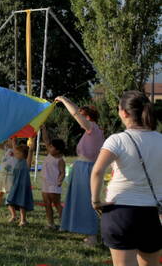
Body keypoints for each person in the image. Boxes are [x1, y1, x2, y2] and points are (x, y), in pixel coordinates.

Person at [91, 91, 162, 265]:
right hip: (154, 213)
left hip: (120, 211)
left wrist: (96, 201)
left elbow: (97, 171)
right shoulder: (160, 139)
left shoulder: (117, 140)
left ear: (124, 112)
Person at [56, 96, 104, 246]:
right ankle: (87, 232)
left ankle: (92, 236)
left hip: (86, 170)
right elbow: (78, 112)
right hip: (82, 169)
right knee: (81, 201)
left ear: (88, 118)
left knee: (86, 201)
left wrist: (64, 101)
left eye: (83, 117)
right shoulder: (91, 130)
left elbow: (75, 113)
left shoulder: (92, 128)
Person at [40, 126, 65, 229]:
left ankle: (64, 223)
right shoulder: (50, 154)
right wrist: (43, 129)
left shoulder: (60, 160)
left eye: (52, 147)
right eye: (49, 146)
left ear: (58, 150)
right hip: (45, 183)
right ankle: (51, 223)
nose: (49, 148)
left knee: (57, 204)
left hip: (54, 184)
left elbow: (62, 172)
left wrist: (59, 181)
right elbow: (46, 139)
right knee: (47, 203)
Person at [6, 144, 35, 226]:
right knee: (9, 201)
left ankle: (23, 220)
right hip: (15, 185)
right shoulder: (16, 161)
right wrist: (14, 140)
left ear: (23, 155)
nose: (15, 154)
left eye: (18, 153)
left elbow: (31, 151)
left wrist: (31, 147)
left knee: (22, 203)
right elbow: (14, 148)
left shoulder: (26, 163)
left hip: (22, 186)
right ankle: (13, 216)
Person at [0, 138, 17, 217]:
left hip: (10, 177)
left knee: (10, 197)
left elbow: (14, 148)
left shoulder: (16, 150)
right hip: (3, 175)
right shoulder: (6, 148)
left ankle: (14, 215)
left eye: (10, 139)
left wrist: (13, 141)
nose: (8, 140)